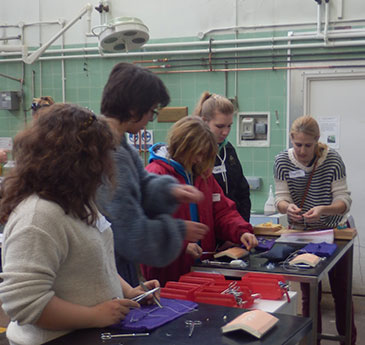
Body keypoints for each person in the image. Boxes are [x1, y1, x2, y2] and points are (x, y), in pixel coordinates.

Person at [0, 103, 159, 345]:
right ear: (77, 160)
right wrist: (95, 316)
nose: (107, 164)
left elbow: (95, 262)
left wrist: (129, 292)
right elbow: (25, 304)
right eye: (101, 155)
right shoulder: (38, 216)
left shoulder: (79, 202)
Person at [97, 62, 208, 288]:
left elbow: (142, 183)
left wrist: (170, 191)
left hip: (117, 268)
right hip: (105, 270)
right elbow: (128, 232)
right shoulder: (110, 153)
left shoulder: (120, 144)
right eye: (151, 111)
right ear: (133, 110)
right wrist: (178, 231)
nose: (150, 119)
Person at [141, 116, 258, 286]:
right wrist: (181, 246)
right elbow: (145, 227)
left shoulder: (203, 175)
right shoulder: (155, 174)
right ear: (182, 147)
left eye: (204, 155)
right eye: (197, 154)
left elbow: (222, 211)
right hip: (167, 270)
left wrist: (241, 231)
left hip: (201, 266)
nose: (199, 160)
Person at [274, 115, 356, 344]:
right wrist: (287, 208)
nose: (302, 151)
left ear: (317, 141)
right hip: (304, 234)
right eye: (297, 144)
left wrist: (324, 209)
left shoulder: (332, 160)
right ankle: (312, 340)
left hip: (335, 231)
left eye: (308, 145)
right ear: (291, 139)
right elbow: (281, 198)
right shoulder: (282, 161)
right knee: (310, 295)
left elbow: (344, 200)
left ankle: (347, 339)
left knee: (342, 293)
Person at [193, 91, 251, 222]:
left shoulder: (228, 149)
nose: (225, 132)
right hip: (207, 228)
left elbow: (242, 191)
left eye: (229, 126)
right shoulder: (195, 153)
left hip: (232, 227)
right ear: (204, 121)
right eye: (219, 126)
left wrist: (241, 229)